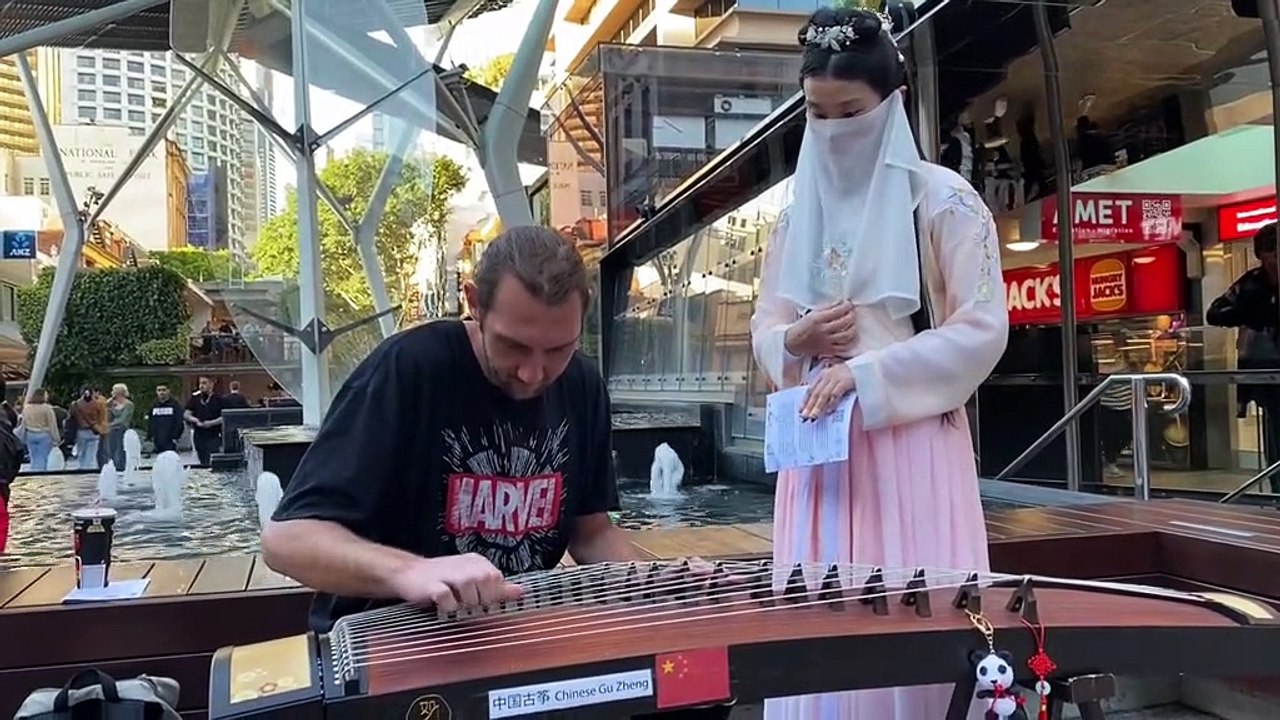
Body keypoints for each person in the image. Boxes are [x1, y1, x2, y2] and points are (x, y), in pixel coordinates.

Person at [262, 229, 729, 719]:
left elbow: (591, 533)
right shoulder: (410, 368)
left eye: (558, 349)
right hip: (390, 657)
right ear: (474, 304)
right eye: (513, 346)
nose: (534, 372)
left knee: (693, 693)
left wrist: (657, 580)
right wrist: (411, 572)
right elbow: (285, 540)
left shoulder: (583, 383)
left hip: (516, 646)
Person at [749, 7, 1009, 719]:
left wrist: (866, 374)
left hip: (908, 448)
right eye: (818, 113)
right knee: (820, 626)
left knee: (909, 609)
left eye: (851, 111)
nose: (834, 129)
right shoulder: (795, 215)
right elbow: (766, 324)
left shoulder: (944, 199)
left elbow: (984, 327)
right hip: (817, 454)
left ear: (891, 103)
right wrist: (792, 344)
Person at [1208, 222, 1280, 489]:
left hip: (1266, 368)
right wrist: (1254, 316)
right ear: (1261, 254)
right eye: (1271, 252)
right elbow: (1215, 313)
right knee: (1275, 430)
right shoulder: (1252, 283)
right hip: (1264, 370)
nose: (1275, 259)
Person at [183, 376, 223, 465]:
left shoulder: (219, 399)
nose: (201, 386)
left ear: (211, 384)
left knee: (213, 457)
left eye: (204, 383)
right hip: (199, 433)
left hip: (213, 434)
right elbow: (186, 414)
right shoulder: (195, 399)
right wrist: (195, 420)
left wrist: (211, 423)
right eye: (200, 383)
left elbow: (224, 417)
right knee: (202, 458)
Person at [20, 388, 60, 472]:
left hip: (30, 435)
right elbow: (52, 425)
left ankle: (33, 472)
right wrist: (56, 438)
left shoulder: (27, 408)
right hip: (44, 435)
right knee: (42, 457)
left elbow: (23, 423)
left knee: (33, 457)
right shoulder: (47, 408)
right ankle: (40, 474)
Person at [69, 388, 106, 470]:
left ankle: (82, 469)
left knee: (81, 453)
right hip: (94, 431)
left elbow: (71, 417)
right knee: (92, 454)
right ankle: (91, 469)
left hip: (81, 431)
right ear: (92, 393)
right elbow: (102, 417)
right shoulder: (98, 404)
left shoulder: (76, 404)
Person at [148, 384, 185, 455]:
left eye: (164, 390)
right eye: (159, 390)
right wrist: (151, 436)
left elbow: (179, 422)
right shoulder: (154, 405)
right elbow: (151, 422)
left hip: (171, 440)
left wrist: (176, 437)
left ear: (168, 391)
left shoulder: (175, 405)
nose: (161, 392)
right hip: (157, 441)